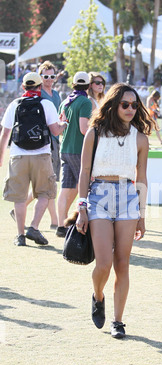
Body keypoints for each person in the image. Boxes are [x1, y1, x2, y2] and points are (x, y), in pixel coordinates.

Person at [75, 83, 155, 339]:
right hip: (98, 195)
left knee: (123, 263)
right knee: (104, 263)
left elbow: (141, 177)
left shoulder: (140, 139)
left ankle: (118, 321)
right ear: (113, 104)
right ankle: (98, 295)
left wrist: (142, 215)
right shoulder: (95, 133)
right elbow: (85, 171)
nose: (131, 109)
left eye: (134, 105)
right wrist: (82, 207)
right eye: (125, 104)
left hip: (128, 197)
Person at [0, 72, 67, 246]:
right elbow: (55, 131)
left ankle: (20, 236)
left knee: (19, 197)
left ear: (23, 87)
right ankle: (34, 227)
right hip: (42, 154)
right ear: (39, 87)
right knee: (45, 193)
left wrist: (0, 158)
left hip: (18, 155)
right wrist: (64, 123)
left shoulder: (14, 104)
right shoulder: (46, 103)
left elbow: (5, 133)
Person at [12, 61, 62, 228]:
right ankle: (54, 221)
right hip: (43, 143)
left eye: (52, 76)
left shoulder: (55, 94)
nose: (49, 79)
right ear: (39, 79)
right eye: (46, 76)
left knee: (48, 183)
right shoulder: (40, 97)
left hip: (52, 142)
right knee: (47, 184)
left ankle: (52, 220)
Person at [56, 71, 92, 237]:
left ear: (73, 84)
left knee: (65, 188)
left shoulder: (65, 101)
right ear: (89, 85)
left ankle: (61, 225)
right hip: (79, 150)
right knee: (85, 187)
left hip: (65, 148)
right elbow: (84, 128)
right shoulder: (85, 101)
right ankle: (81, 222)